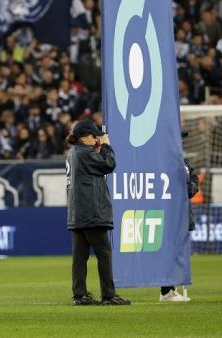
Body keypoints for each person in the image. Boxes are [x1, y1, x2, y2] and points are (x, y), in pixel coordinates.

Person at [65, 119, 130, 306]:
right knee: (104, 254)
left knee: (79, 257)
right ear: (84, 137)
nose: (97, 139)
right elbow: (109, 165)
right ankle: (109, 295)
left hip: (77, 213)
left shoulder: (73, 153)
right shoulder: (84, 153)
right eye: (94, 136)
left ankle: (80, 295)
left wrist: (99, 149)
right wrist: (107, 147)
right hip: (91, 212)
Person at [159, 131, 199, 302]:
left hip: (183, 212)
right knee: (170, 254)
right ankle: (166, 290)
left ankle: (170, 290)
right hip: (168, 213)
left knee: (179, 254)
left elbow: (194, 179)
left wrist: (188, 190)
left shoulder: (183, 162)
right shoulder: (162, 160)